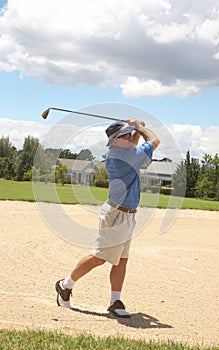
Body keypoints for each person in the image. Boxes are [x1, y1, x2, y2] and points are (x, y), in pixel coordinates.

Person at [55, 118, 160, 318]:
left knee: (121, 261)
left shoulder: (123, 152)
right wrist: (139, 127)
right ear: (116, 141)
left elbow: (134, 145)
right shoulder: (123, 157)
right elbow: (155, 141)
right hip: (116, 215)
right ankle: (64, 285)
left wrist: (134, 130)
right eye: (126, 134)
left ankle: (115, 301)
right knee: (99, 258)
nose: (131, 137)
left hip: (127, 214)